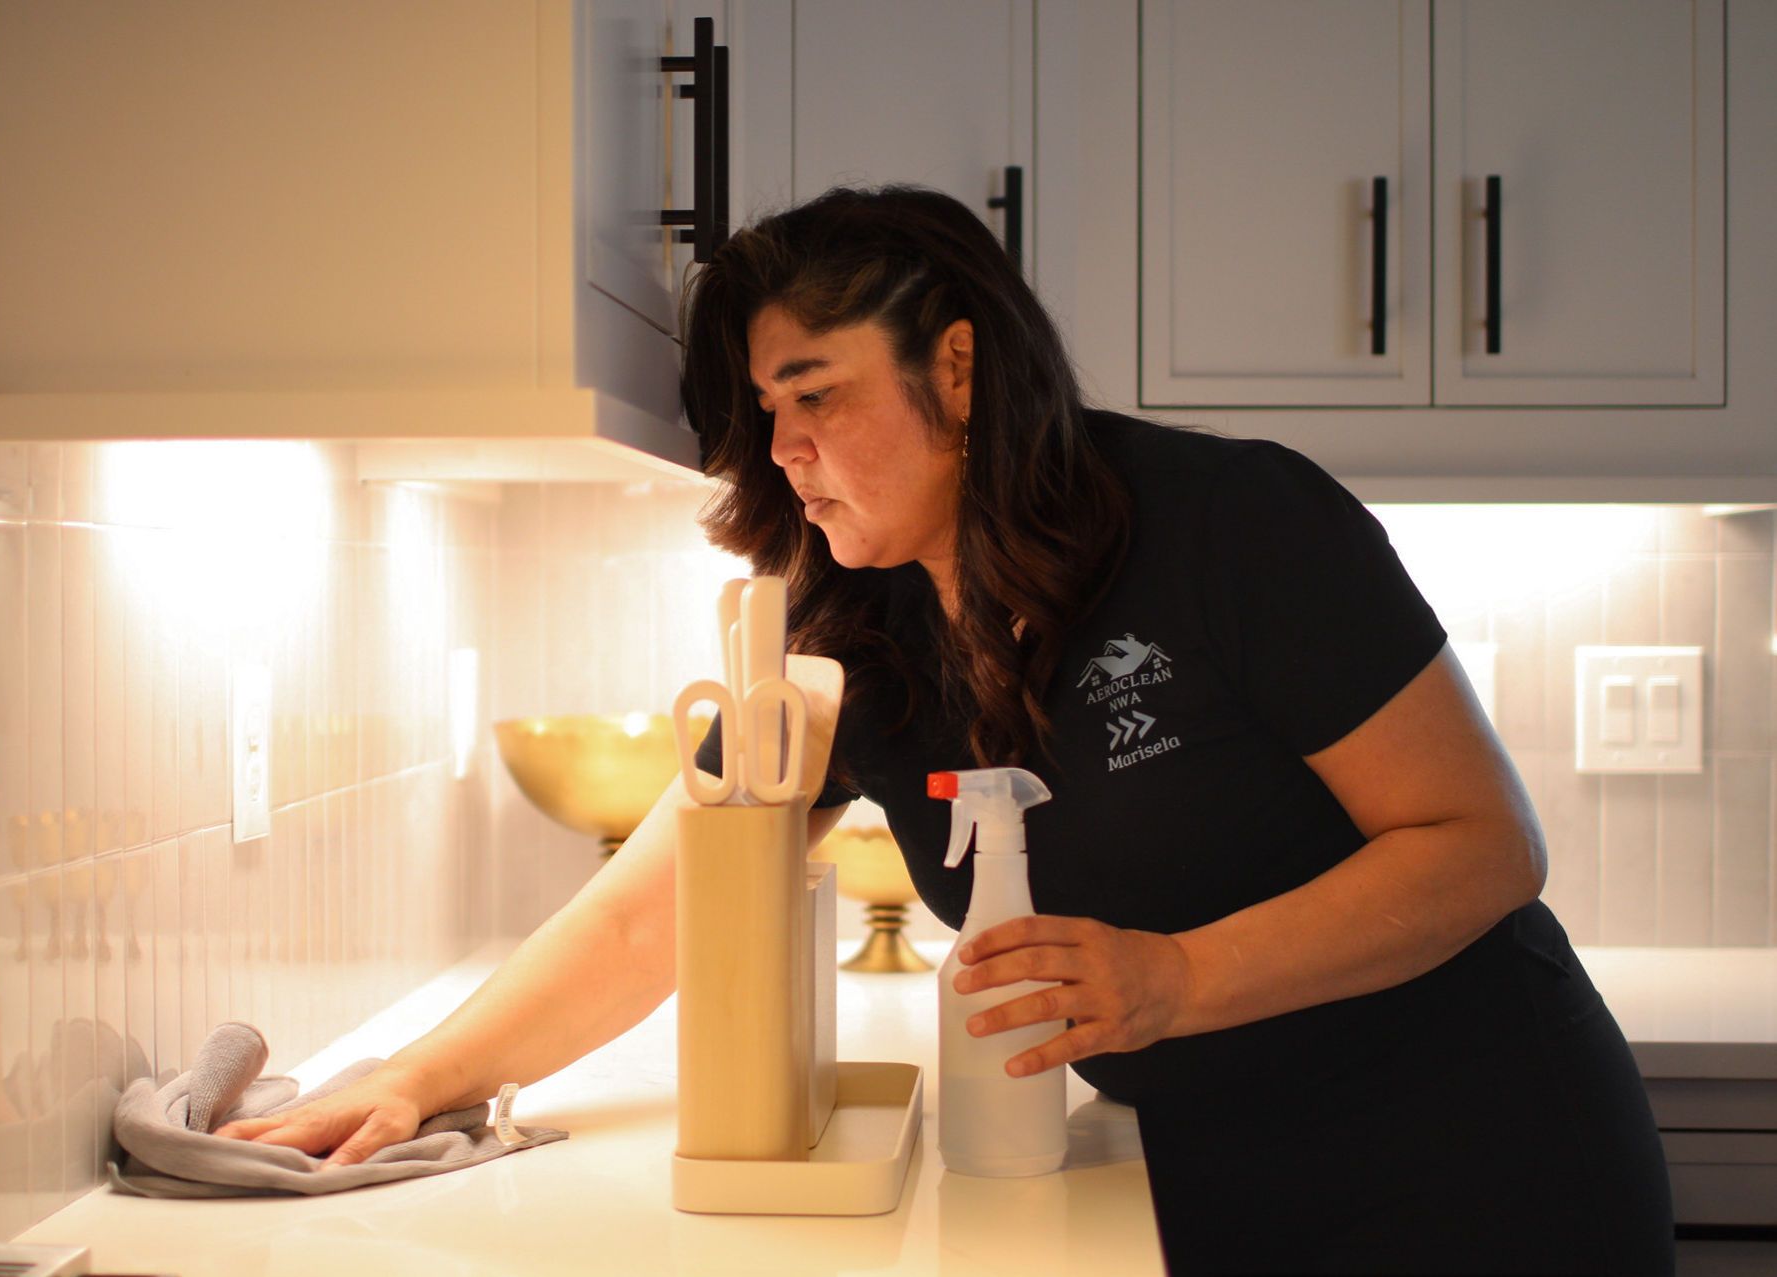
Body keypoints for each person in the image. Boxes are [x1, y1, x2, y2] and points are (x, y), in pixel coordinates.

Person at [217, 186, 1674, 1275]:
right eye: (760, 413)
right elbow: (652, 906)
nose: (783, 450)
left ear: (960, 370)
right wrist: (420, 1082)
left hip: (1479, 1169)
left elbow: (1483, 846)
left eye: (816, 396)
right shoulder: (858, 630)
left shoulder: (1238, 525)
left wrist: (1175, 975)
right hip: (1197, 1182)